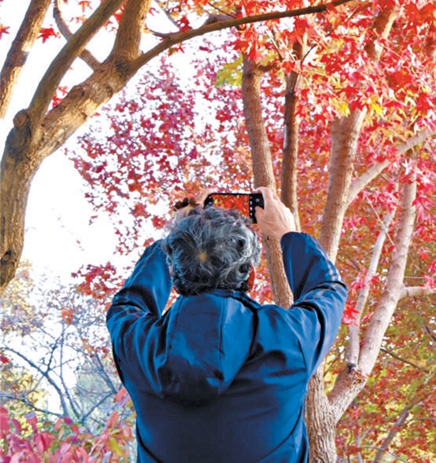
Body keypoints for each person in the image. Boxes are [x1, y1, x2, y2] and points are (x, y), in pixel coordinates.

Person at [106, 188, 347, 462]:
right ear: (252, 276)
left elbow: (126, 305)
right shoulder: (288, 339)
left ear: (174, 274)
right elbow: (327, 289)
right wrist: (287, 233)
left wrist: (176, 235)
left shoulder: (140, 347)